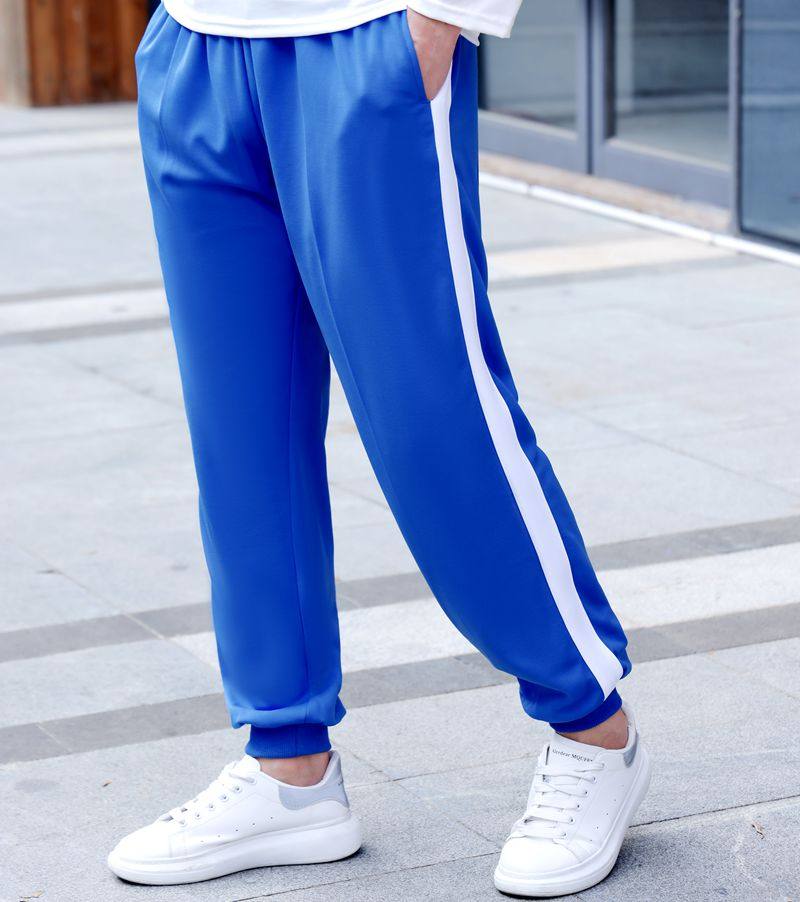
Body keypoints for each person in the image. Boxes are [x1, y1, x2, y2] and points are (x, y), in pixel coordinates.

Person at [107, 1, 651, 895]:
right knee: (240, 437)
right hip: (197, 46)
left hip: (364, 37)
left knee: (431, 413)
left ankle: (594, 730)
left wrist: (444, 16)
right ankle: (290, 770)